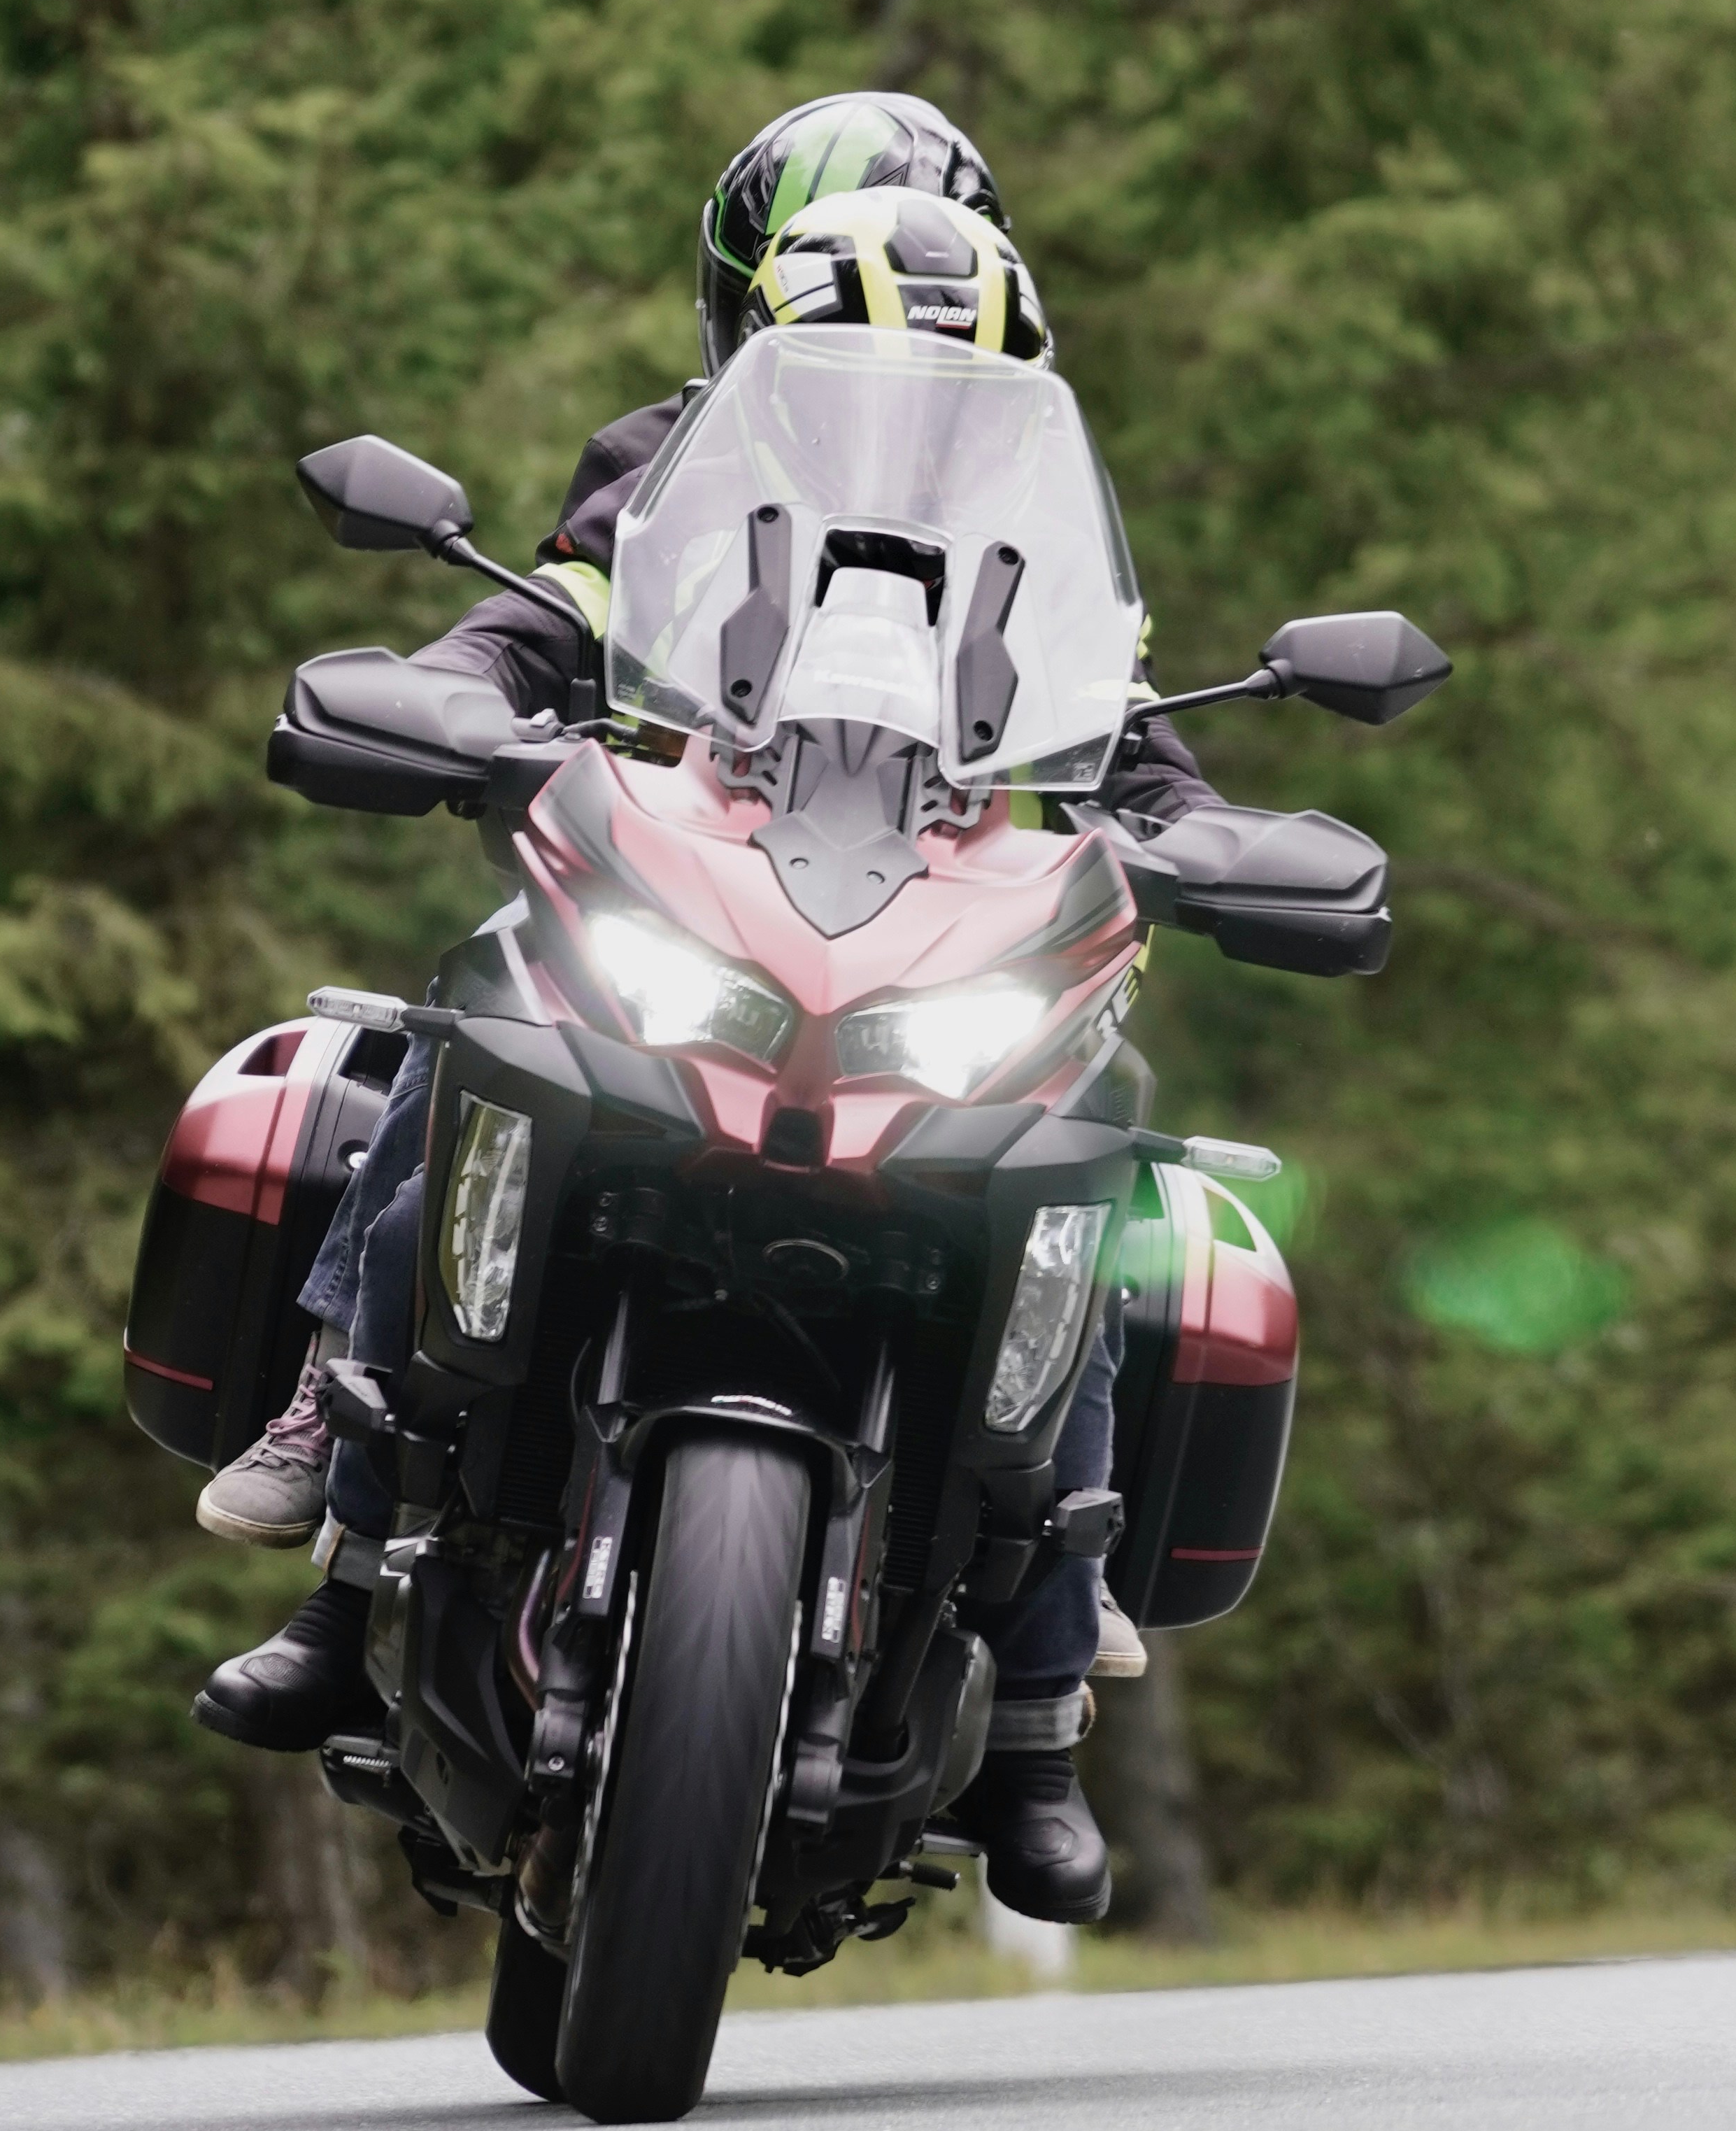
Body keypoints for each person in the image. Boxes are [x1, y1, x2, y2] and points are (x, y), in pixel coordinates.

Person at [191, 93, 1214, 1923]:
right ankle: (343, 1515)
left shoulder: (1044, 525)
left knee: (1094, 1149)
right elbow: (545, 618)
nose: (899, 387)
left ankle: (1040, 1704)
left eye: (948, 357)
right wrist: (452, 686)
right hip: (694, 879)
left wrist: (1212, 835)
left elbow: (1129, 730)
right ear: (763, 322)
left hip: (934, 932)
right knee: (475, 1014)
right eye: (849, 340)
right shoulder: (670, 463)